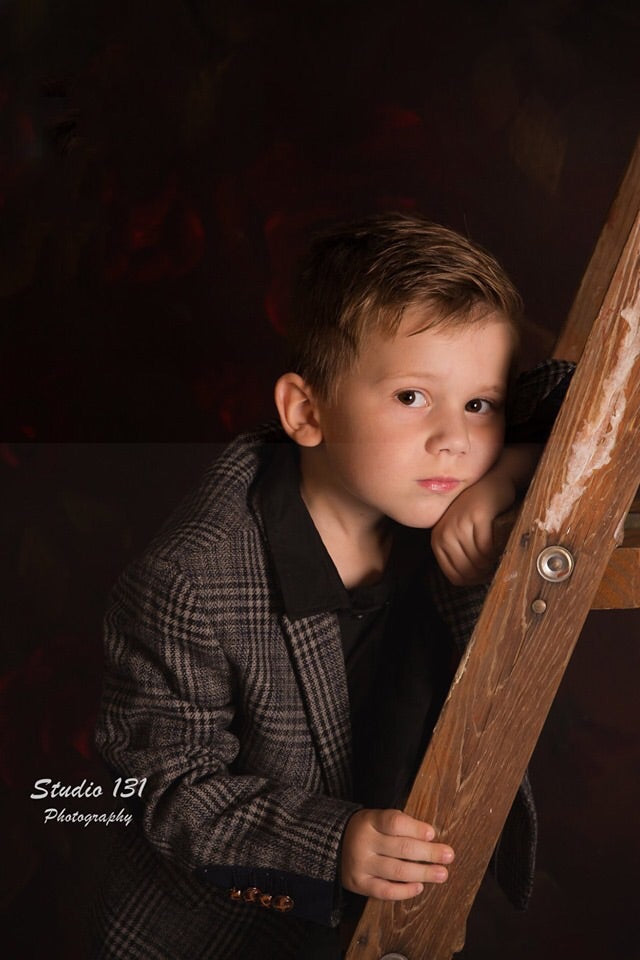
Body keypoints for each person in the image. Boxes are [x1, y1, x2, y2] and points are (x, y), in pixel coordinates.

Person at [92, 214, 573, 959]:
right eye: (412, 397)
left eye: (479, 405)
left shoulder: (440, 485)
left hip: (391, 910)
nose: (455, 438)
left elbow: (587, 399)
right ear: (307, 412)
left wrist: (507, 473)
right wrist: (331, 843)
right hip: (231, 931)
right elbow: (161, 789)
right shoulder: (193, 582)